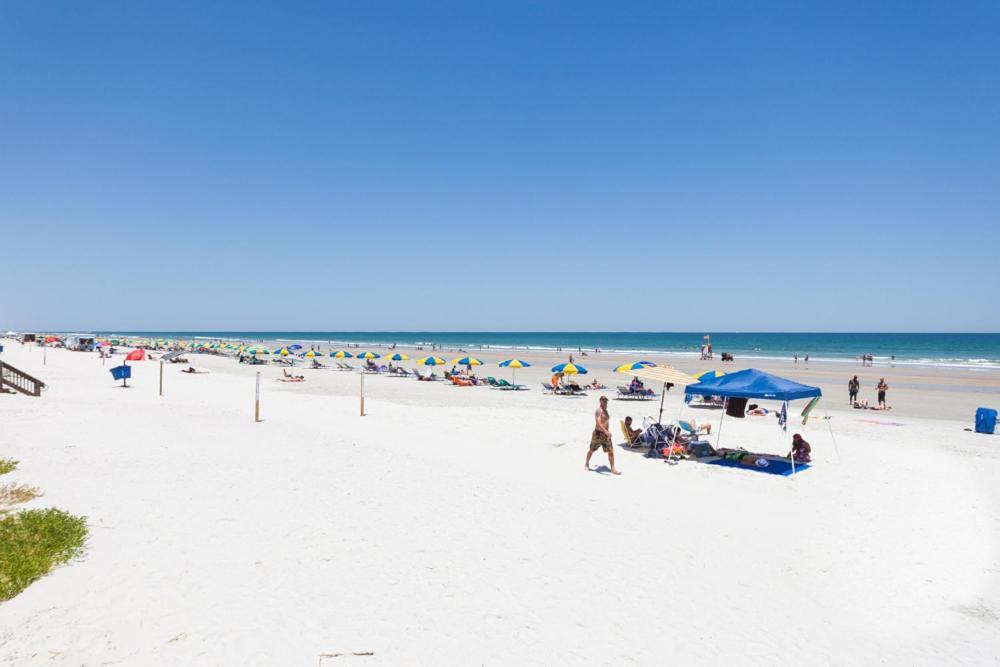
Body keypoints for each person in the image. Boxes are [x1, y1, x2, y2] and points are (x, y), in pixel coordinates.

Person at [586, 396, 620, 474]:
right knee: (591, 450)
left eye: (606, 401)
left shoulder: (605, 410)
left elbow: (606, 422)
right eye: (603, 401)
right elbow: (598, 422)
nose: (605, 402)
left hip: (606, 435)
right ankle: (587, 463)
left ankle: (612, 469)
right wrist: (605, 431)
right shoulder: (599, 411)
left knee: (611, 451)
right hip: (598, 434)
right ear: (600, 401)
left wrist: (607, 432)